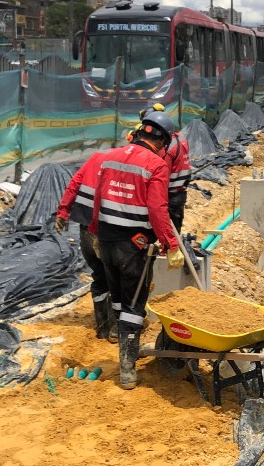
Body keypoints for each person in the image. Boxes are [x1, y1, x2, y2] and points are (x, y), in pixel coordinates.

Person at [90, 112, 184, 389]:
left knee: (118, 297)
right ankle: (128, 369)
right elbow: (157, 208)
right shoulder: (156, 165)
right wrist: (171, 245)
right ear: (163, 141)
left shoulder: (110, 157)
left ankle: (123, 346)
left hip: (107, 240)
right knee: (134, 304)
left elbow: (98, 199)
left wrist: (95, 232)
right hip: (134, 245)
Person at [55, 151, 117, 343]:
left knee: (99, 277)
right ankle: (115, 329)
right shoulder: (127, 164)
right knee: (118, 279)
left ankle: (102, 329)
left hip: (86, 228)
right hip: (109, 230)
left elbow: (74, 184)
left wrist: (63, 211)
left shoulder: (96, 157)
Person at [145, 104, 191, 232]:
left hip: (169, 194)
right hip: (180, 190)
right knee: (175, 227)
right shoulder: (180, 138)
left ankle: (169, 249)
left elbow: (160, 176)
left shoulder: (166, 149)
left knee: (166, 230)